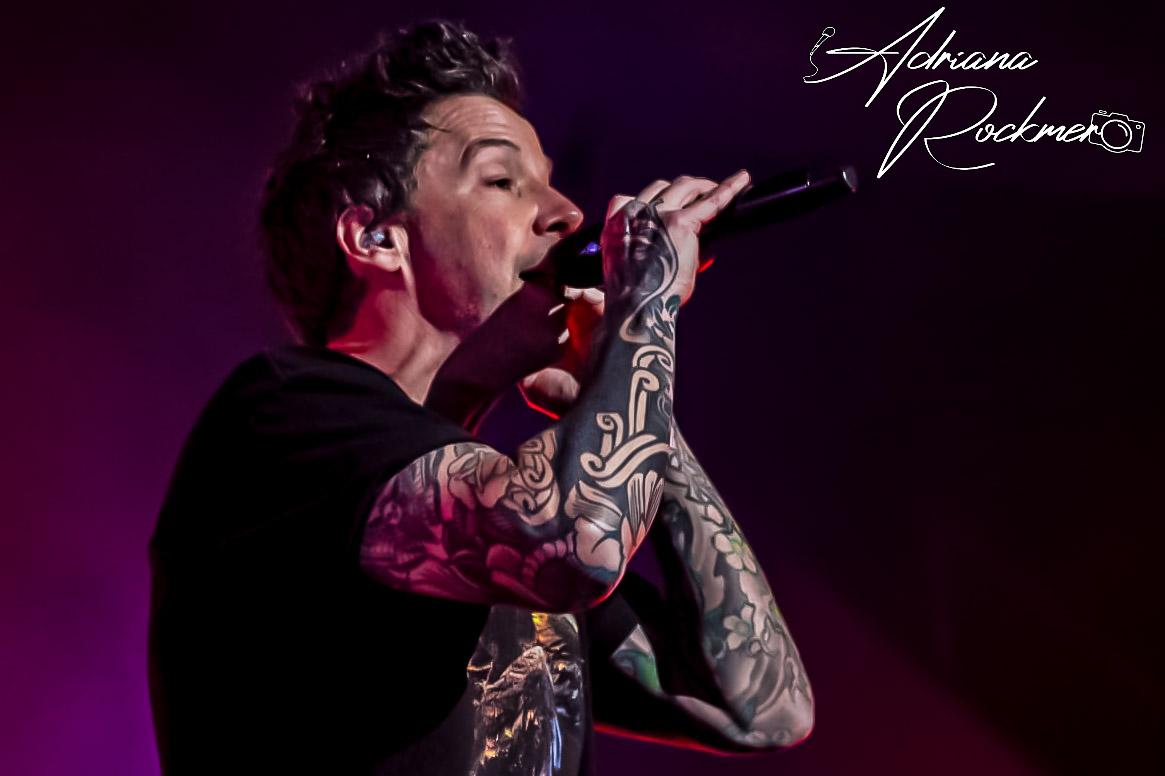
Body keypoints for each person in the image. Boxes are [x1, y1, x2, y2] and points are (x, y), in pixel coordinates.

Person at [147, 18, 814, 775]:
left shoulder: (501, 504)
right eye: (502, 181)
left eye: (548, 180)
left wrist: (626, 388)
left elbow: (760, 707)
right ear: (375, 238)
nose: (567, 213)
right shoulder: (282, 418)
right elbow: (573, 541)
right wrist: (647, 308)